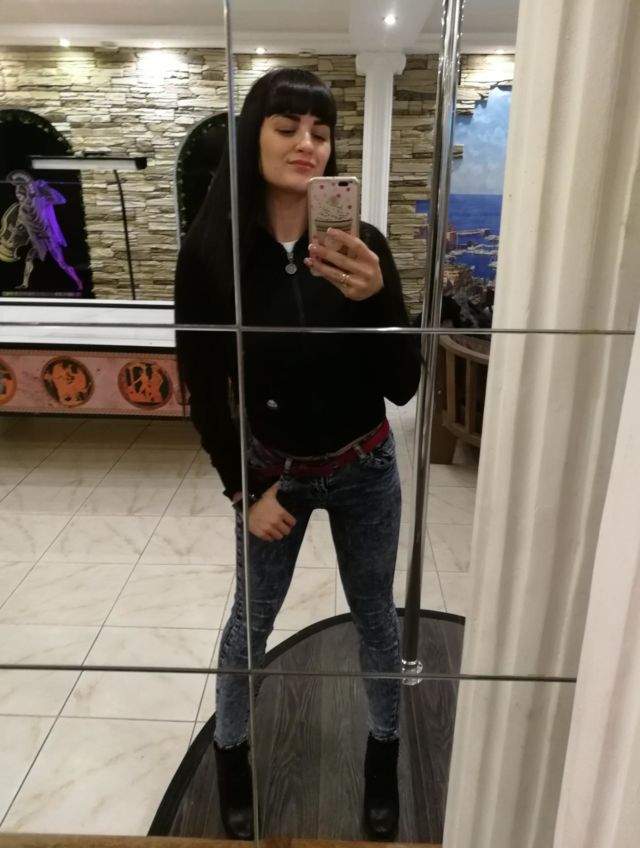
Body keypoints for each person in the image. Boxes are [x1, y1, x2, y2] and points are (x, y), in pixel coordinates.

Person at [175, 67, 421, 841]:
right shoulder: (212, 253)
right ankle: (232, 760)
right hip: (271, 471)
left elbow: (404, 385)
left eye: (320, 130)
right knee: (249, 625)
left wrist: (378, 299)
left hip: (365, 466)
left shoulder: (362, 245)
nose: (307, 143)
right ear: (253, 137)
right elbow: (204, 391)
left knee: (377, 617)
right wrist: (244, 492)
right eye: (287, 127)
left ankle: (382, 760)